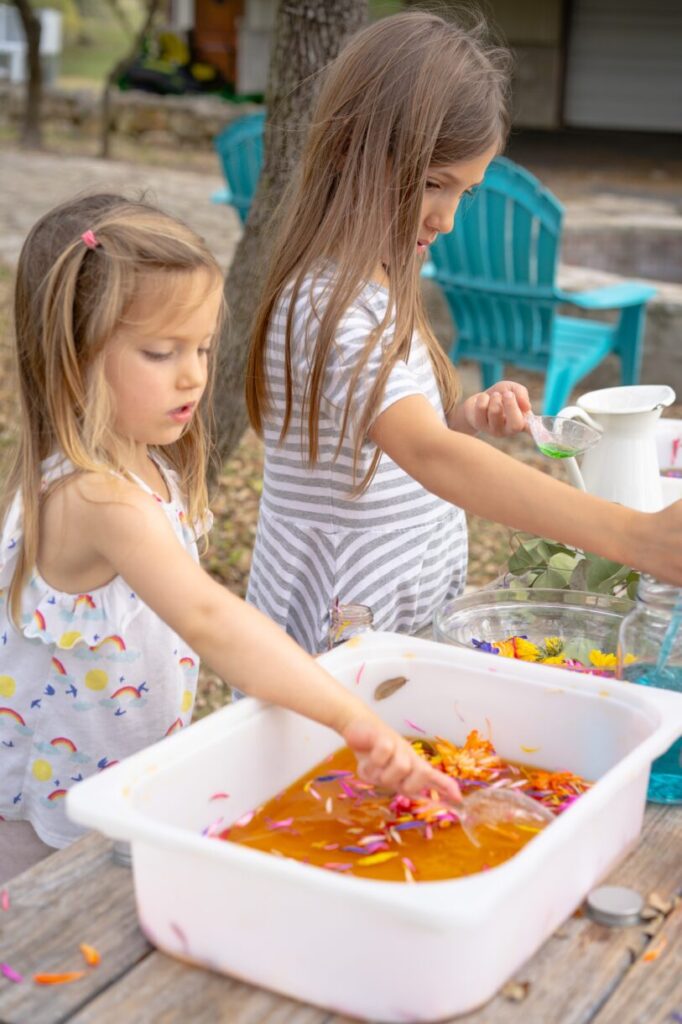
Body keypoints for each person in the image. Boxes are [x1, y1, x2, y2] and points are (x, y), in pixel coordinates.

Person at [0, 194, 460, 883]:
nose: (193, 374)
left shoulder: (145, 460)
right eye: (161, 352)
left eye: (204, 347)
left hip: (121, 792)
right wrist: (353, 721)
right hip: (48, 830)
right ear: (74, 356)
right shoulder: (98, 496)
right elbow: (212, 620)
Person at [245, 10, 682, 654]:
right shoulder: (329, 306)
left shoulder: (382, 282)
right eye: (431, 185)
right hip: (339, 640)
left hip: (397, 619)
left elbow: (400, 434)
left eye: (465, 193)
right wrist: (633, 537)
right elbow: (425, 454)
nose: (446, 219)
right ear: (356, 152)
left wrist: (464, 417)